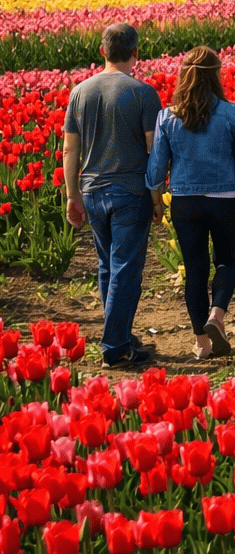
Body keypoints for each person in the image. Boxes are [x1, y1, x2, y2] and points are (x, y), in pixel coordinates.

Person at [145, 47, 235, 360]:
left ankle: (202, 344)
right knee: (226, 262)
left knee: (195, 269)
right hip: (226, 201)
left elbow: (156, 167)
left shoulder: (167, 117)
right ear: (215, 76)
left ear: (183, 75)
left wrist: (156, 201)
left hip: (186, 202)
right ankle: (217, 316)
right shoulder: (232, 114)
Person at [62, 23, 163, 368]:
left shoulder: (79, 92)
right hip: (130, 191)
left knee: (108, 267)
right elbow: (153, 150)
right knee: (125, 270)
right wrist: (157, 197)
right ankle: (115, 347)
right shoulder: (144, 93)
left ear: (102, 52)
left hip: (92, 190)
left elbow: (69, 149)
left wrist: (72, 195)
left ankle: (118, 334)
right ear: (136, 53)